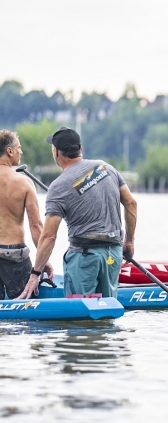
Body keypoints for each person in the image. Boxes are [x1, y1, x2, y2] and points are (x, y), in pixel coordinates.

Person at [17, 127, 138, 299]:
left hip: (84, 258)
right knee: (106, 310)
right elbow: (131, 203)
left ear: (56, 152)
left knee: (80, 317)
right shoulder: (106, 168)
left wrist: (35, 273)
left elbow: (49, 236)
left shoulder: (58, 187)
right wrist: (130, 241)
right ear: (80, 149)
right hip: (113, 253)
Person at [0, 130, 53, 299]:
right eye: (19, 148)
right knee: (26, 307)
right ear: (9, 151)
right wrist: (43, 262)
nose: (20, 152)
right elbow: (36, 226)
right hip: (14, 254)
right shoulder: (23, 183)